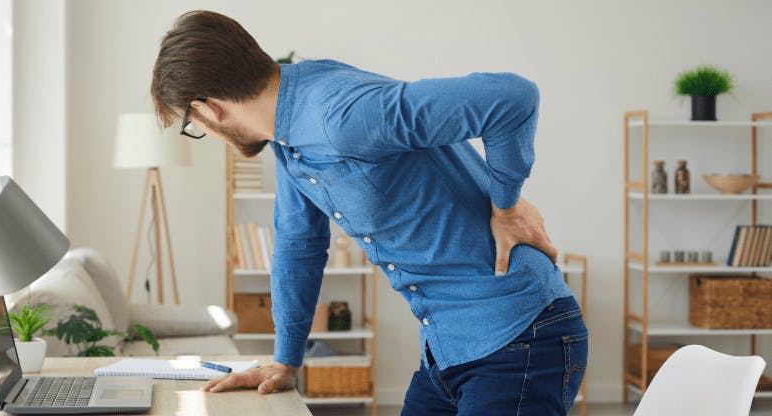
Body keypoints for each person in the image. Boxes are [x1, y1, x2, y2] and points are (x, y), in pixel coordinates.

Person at [150, 10, 588, 415]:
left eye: (194, 125)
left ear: (209, 108)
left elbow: (513, 98)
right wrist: (286, 359)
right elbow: (297, 244)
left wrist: (506, 204)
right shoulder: (287, 134)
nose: (204, 130)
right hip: (449, 346)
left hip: (518, 337)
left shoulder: (340, 115)